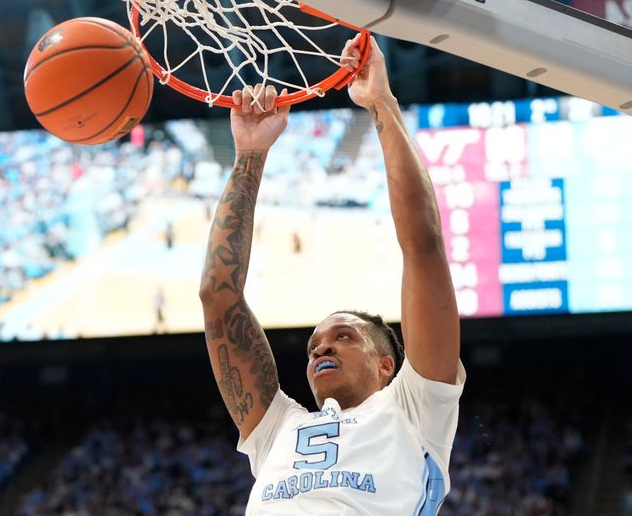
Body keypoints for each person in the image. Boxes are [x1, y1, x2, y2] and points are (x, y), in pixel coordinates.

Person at [199, 34, 465, 514]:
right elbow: (219, 298)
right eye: (315, 345)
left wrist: (381, 102)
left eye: (343, 336)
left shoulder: (414, 407)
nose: (320, 346)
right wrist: (249, 158)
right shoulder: (278, 428)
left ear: (388, 365)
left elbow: (424, 247)